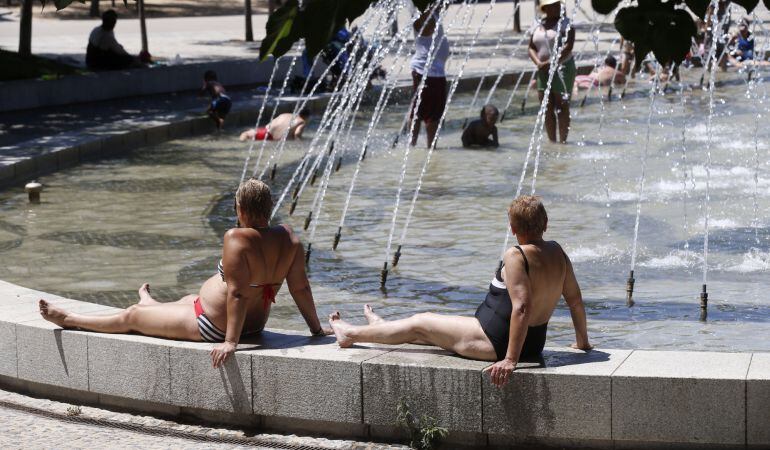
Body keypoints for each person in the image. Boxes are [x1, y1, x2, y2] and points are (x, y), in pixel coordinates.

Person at [38, 179, 331, 368]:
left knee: (131, 318)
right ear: (269, 208)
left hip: (215, 326)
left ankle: (70, 319)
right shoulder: (289, 238)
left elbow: (238, 292)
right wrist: (316, 330)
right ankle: (150, 304)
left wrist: (230, 342)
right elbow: (300, 289)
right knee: (188, 299)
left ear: (240, 208)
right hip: (252, 323)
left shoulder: (236, 237)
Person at [328, 196, 592, 387]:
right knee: (431, 333)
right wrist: (583, 342)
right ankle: (382, 329)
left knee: (421, 322)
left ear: (513, 229)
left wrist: (510, 360)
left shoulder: (516, 255)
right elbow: (575, 301)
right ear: (545, 223)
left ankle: (349, 334)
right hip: (534, 343)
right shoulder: (558, 252)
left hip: (496, 343)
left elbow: (521, 307)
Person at [528, 0, 576, 144]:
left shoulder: (566, 24)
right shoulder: (537, 24)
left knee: (562, 105)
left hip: (563, 68)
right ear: (545, 8)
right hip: (542, 69)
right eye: (552, 5)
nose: (556, 8)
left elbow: (569, 45)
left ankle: (563, 142)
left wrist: (552, 62)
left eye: (557, 5)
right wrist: (539, 63)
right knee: (546, 106)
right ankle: (552, 141)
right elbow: (530, 47)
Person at [410, 8, 450, 147]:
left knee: (420, 111)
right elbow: (427, 29)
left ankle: (413, 146)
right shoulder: (422, 12)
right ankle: (431, 151)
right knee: (430, 115)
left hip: (432, 71)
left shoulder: (430, 11)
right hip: (428, 71)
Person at [240, 109, 311, 142]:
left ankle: (241, 141)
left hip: (267, 132)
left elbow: (269, 125)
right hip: (277, 139)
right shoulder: (302, 121)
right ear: (307, 117)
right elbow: (297, 134)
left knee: (246, 133)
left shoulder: (285, 114)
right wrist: (301, 142)